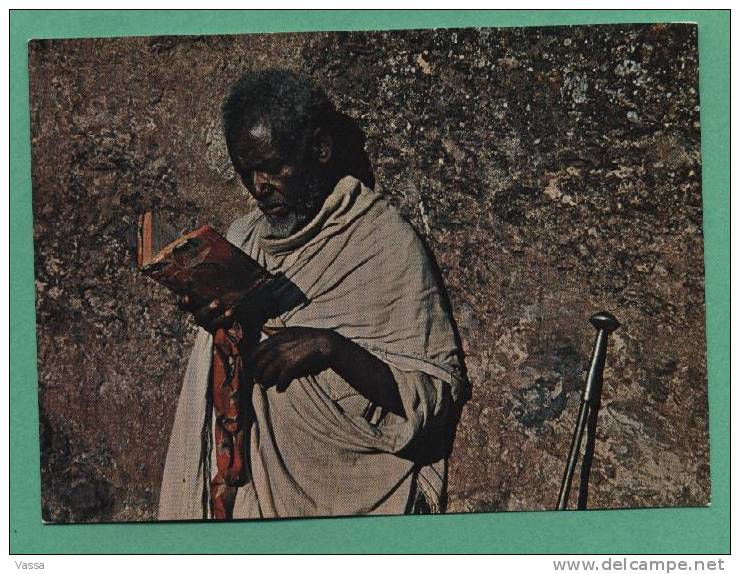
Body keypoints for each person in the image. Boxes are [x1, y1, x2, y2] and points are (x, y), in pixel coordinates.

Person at [159, 69, 468, 519]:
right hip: (254, 492)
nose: (259, 187)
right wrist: (219, 322)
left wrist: (330, 348)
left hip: (351, 497)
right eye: (247, 171)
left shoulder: (383, 244)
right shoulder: (243, 239)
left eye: (273, 166)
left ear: (320, 150)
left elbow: (434, 399)